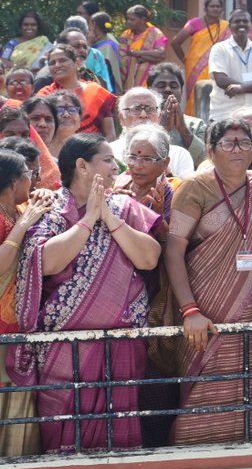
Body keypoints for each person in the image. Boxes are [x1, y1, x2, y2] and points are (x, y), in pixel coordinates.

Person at [11, 134, 162, 451]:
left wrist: (108, 217)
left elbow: (149, 258)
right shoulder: (50, 209)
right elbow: (46, 262)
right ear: (82, 166)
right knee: (64, 442)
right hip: (65, 350)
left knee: (120, 443)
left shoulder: (124, 207)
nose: (116, 167)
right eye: (107, 160)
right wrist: (89, 219)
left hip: (121, 344)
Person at [163, 116, 252, 445]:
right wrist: (190, 311)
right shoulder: (195, 187)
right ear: (210, 150)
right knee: (202, 389)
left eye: (245, 143)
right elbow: (174, 251)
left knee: (251, 388)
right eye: (228, 143)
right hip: (204, 310)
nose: (238, 150)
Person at [0, 149, 46, 456]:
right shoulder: (12, 216)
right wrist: (23, 225)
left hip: (21, 323)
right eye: (29, 175)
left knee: (21, 394)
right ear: (14, 181)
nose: (33, 180)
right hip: (3, 326)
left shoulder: (19, 210)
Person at [37, 45, 117, 137]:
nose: (57, 65)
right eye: (52, 63)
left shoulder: (95, 91)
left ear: (76, 63)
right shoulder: (45, 95)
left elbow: (110, 134)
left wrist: (97, 147)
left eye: (62, 60)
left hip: (95, 144)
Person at [173, 0, 227, 118]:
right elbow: (175, 42)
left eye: (218, 6)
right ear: (205, 9)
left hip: (218, 66)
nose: (216, 9)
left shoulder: (226, 26)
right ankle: (193, 120)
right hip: (195, 66)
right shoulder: (194, 23)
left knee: (216, 93)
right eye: (212, 6)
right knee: (194, 94)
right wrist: (185, 60)